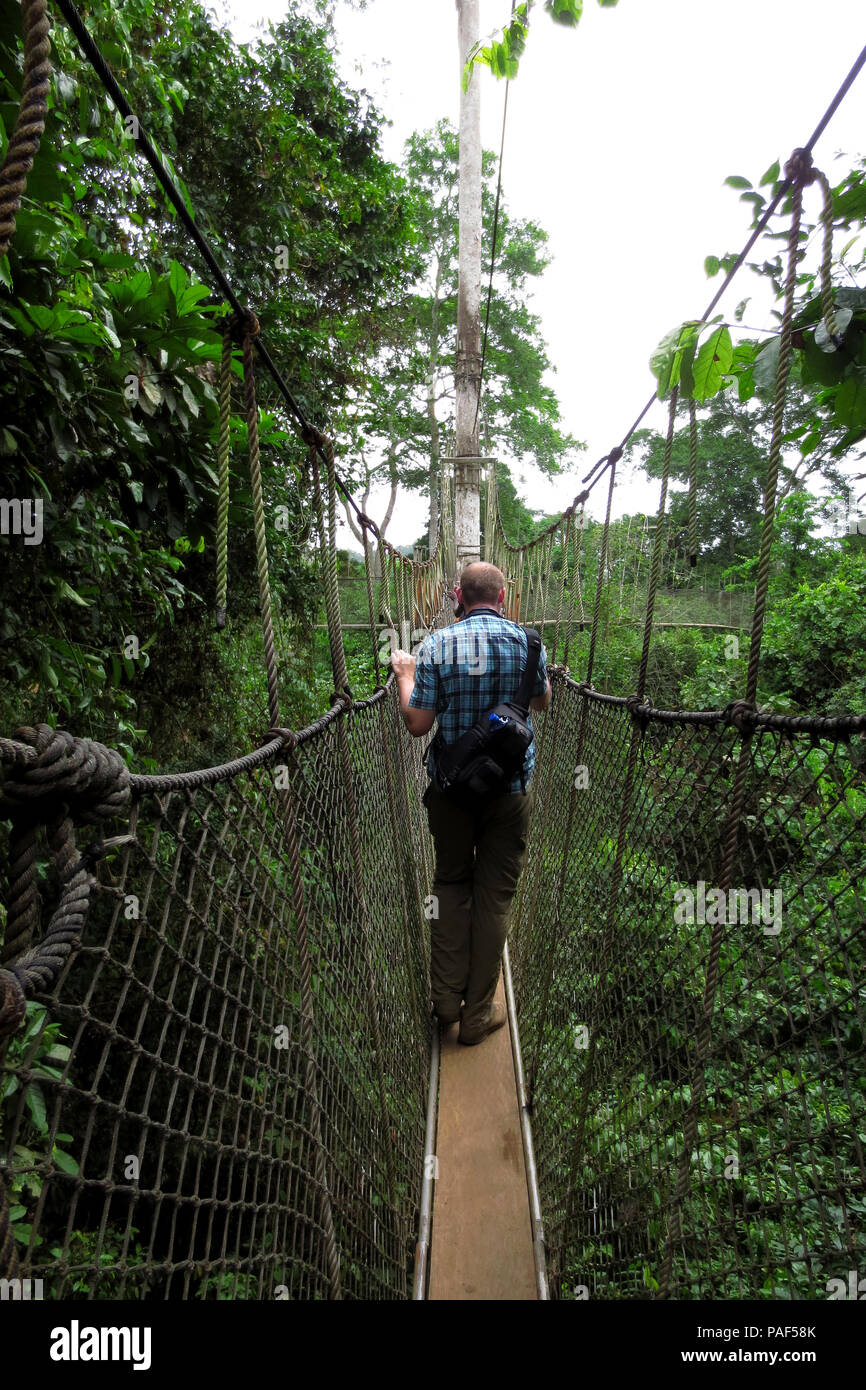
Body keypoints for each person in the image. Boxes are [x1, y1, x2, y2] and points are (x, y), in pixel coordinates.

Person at [390, 561, 551, 1046]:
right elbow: (540, 702)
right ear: (504, 597)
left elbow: (418, 724)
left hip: (452, 792)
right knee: (494, 898)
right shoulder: (530, 644)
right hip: (509, 790)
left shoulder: (436, 644)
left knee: (451, 887)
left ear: (457, 594)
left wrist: (405, 673)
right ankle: (479, 1014)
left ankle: (446, 1004)